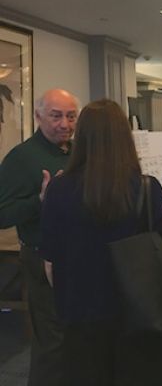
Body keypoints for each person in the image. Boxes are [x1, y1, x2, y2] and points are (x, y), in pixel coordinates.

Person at [39, 99, 162, 386]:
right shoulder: (146, 188)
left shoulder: (59, 190)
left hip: (81, 312)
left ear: (82, 137)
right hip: (140, 310)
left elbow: (50, 262)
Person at [0, 88, 78, 386]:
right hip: (41, 257)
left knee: (77, 335)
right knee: (52, 341)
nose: (65, 124)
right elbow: (3, 215)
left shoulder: (75, 152)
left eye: (71, 116)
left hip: (78, 256)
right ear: (38, 117)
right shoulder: (21, 158)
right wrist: (41, 200)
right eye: (56, 116)